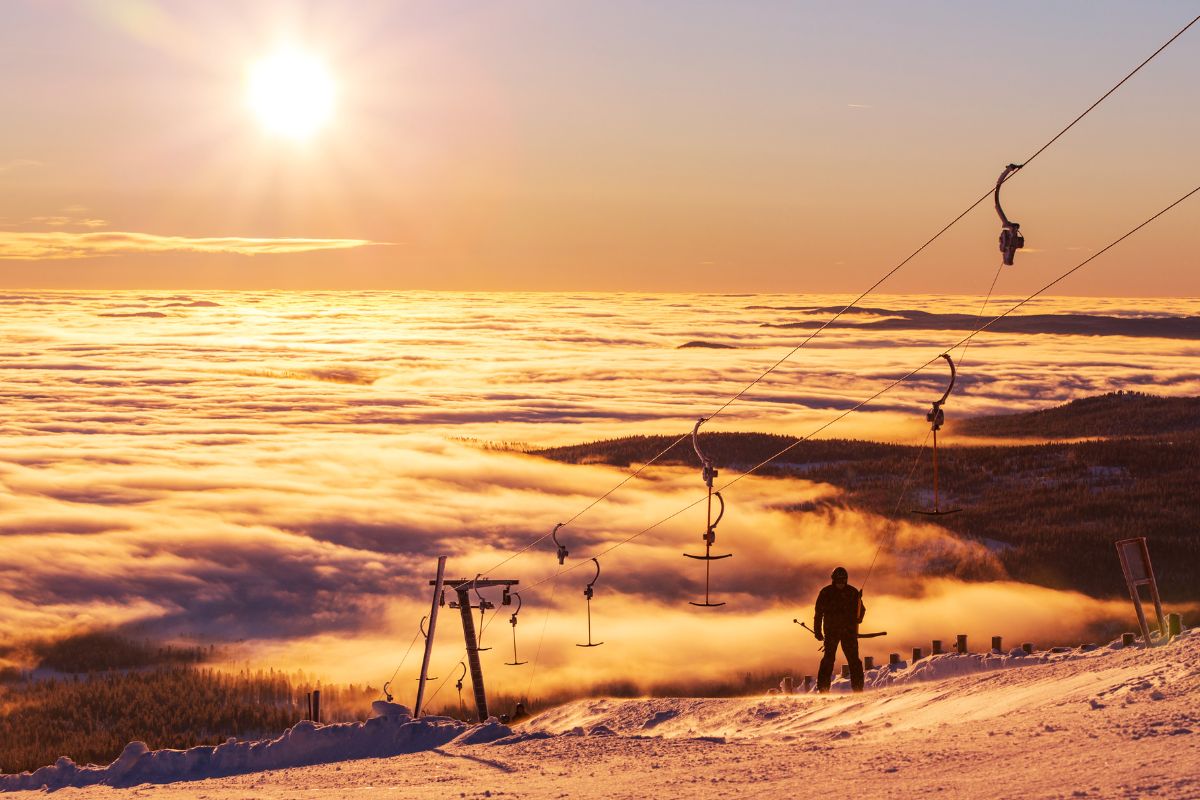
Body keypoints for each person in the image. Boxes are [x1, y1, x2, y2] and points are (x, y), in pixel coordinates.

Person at [814, 566, 866, 693]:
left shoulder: (853, 592)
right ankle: (823, 689)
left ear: (846, 580)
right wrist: (817, 631)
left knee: (854, 660)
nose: (841, 584)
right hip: (831, 633)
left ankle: (858, 689)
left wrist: (858, 619)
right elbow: (818, 613)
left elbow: (862, 610)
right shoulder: (825, 593)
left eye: (843, 581)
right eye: (839, 581)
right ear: (833, 580)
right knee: (828, 659)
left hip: (849, 632)